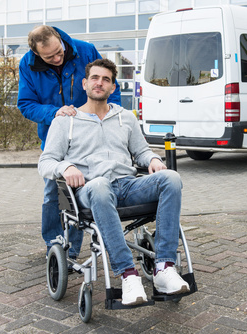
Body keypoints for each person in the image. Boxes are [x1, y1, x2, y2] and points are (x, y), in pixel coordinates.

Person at [38, 58, 190, 305]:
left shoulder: (125, 117)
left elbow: (141, 151)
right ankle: (128, 275)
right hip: (90, 189)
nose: (100, 83)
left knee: (171, 178)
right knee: (99, 185)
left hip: (126, 186)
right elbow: (45, 163)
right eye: (95, 78)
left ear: (112, 87)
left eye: (106, 79)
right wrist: (65, 166)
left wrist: (152, 159)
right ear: (85, 83)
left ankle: (163, 267)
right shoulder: (66, 120)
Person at [17, 25, 121, 261]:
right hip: (56, 138)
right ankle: (55, 247)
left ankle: (72, 249)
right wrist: (55, 112)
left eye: (59, 52)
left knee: (84, 189)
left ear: (61, 41)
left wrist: (114, 115)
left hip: (89, 139)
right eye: (48, 57)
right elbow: (26, 104)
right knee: (53, 195)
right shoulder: (27, 64)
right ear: (36, 53)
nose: (56, 59)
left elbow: (106, 85)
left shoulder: (85, 50)